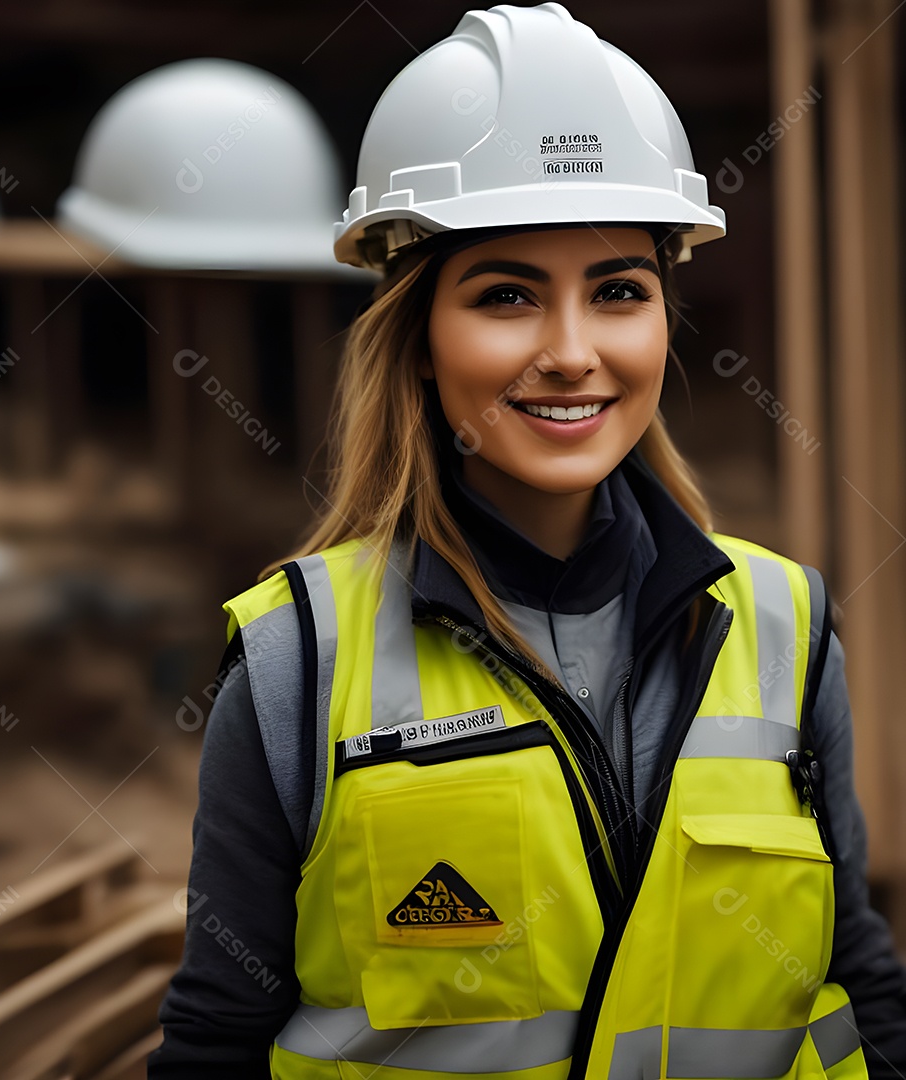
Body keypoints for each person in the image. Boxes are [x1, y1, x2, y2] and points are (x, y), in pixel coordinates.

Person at [149, 4, 906, 1077]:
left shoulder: (784, 624)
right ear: (418, 340)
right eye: (507, 295)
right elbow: (216, 1035)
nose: (571, 352)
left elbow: (858, 976)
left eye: (618, 293)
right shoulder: (297, 665)